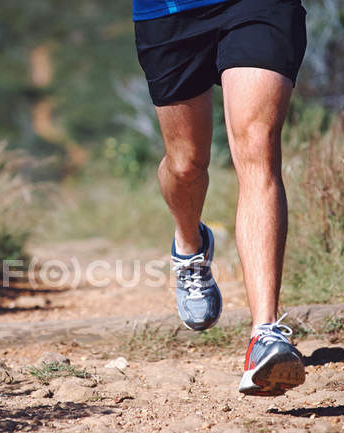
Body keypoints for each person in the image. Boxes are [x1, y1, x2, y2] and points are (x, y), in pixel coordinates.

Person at [133, 0, 307, 396]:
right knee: (186, 164)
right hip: (169, 10)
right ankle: (190, 244)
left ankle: (266, 333)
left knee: (258, 148)